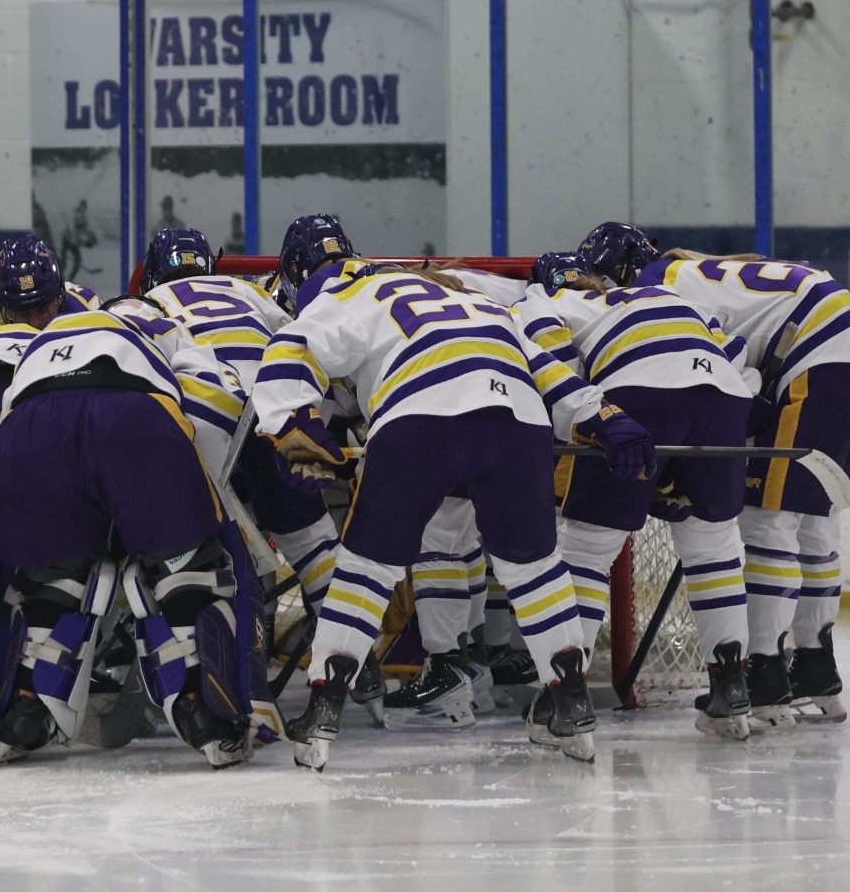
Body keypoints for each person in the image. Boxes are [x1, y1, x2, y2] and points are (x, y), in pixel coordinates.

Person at [253, 214, 657, 768]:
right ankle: (571, 702)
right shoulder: (477, 299)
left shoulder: (347, 291)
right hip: (516, 417)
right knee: (535, 568)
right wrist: (603, 415)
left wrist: (293, 425)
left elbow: (290, 350)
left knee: (366, 569)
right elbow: (546, 370)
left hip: (420, 416)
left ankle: (323, 710)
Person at [0, 241, 277, 769]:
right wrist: (196, 499)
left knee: (49, 575)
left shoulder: (39, 338)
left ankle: (25, 705)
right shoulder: (154, 320)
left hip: (27, 426)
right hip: (131, 412)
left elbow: (10, 418)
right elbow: (217, 397)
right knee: (192, 564)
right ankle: (200, 705)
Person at [585, 223, 850, 724]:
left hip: (813, 354)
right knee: (814, 520)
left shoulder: (654, 286)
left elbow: (719, 358)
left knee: (768, 520)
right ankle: (815, 663)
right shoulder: (698, 269)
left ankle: (765, 671)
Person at [519, 250, 756, 738]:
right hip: (726, 398)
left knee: (587, 549)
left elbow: (558, 368)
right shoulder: (667, 294)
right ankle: (731, 688)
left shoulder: (541, 299)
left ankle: (566, 697)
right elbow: (735, 350)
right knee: (713, 544)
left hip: (638, 393)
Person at [139, 227, 339, 614]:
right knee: (312, 538)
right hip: (273, 408)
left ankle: (241, 646)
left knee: (215, 543)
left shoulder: (150, 300)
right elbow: (298, 338)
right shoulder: (247, 290)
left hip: (209, 419)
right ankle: (352, 657)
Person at [0, 234, 99, 339]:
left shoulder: (87, 314)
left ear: (58, 298)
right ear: (4, 307)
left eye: (43, 309)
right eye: (23, 313)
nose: (35, 323)